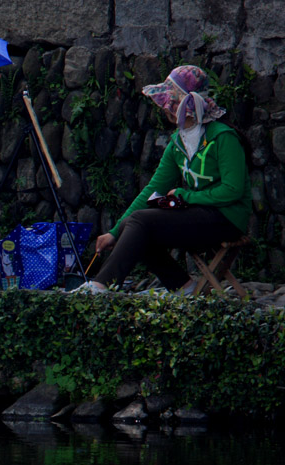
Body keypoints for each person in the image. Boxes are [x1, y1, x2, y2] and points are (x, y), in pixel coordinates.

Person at [75, 65, 251, 295]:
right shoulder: (178, 142)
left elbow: (233, 189)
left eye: (172, 102)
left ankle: (100, 286)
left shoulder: (222, 137)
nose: (166, 109)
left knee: (142, 222)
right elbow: (152, 189)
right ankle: (183, 286)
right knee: (135, 222)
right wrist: (115, 232)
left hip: (227, 218)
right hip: (197, 210)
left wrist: (185, 196)